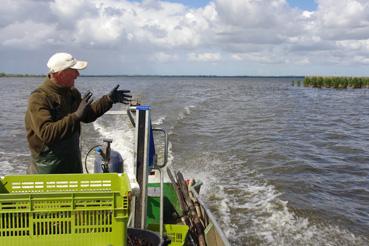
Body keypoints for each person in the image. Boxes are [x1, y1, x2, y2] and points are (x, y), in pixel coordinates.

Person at [25, 52, 131, 174]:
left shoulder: (72, 93)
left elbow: (87, 115)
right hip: (47, 168)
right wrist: (75, 116)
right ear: (61, 73)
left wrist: (108, 100)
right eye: (74, 71)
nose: (77, 74)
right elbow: (47, 133)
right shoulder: (39, 98)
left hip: (72, 162)